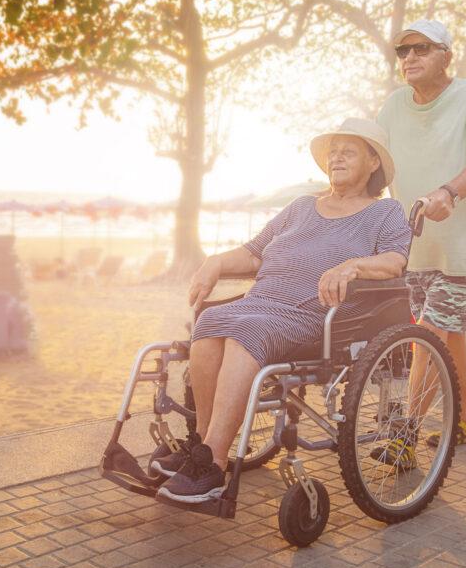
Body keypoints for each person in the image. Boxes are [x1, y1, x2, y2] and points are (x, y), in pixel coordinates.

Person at [154, 118, 412, 504]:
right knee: (209, 321)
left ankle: (214, 463)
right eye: (333, 152)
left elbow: (395, 261)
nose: (337, 158)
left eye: (349, 151)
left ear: (374, 163)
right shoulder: (301, 207)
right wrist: (215, 262)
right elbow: (254, 251)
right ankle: (203, 450)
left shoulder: (385, 211)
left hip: (313, 314)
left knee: (248, 332)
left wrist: (352, 266)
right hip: (262, 302)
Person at [376, 19, 466, 459]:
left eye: (422, 49)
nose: (410, 57)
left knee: (427, 338)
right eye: (403, 51)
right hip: (416, 252)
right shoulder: (395, 106)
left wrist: (448, 191)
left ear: (446, 55)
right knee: (447, 337)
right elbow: (374, 169)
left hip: (465, 254)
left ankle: (403, 436)